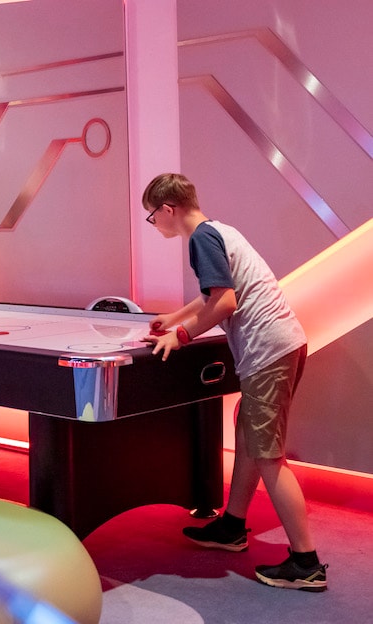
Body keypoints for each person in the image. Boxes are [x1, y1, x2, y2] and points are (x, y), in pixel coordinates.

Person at [139, 173, 327, 592]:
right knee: (247, 435)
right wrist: (175, 317)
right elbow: (219, 290)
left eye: (153, 217)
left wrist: (182, 335)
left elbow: (225, 302)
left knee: (267, 454)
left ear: (168, 209)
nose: (155, 225)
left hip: (268, 351)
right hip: (283, 345)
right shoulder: (219, 231)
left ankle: (306, 562)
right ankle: (231, 528)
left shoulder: (199, 240)